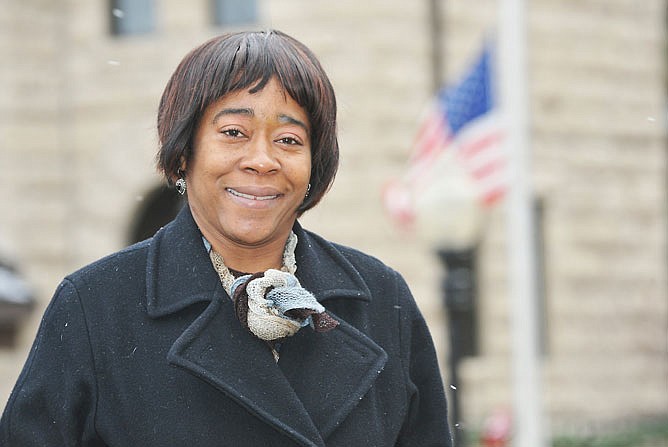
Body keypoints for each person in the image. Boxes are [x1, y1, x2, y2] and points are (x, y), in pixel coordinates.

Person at [0, 30, 451, 446]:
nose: (262, 160)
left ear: (315, 165)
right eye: (234, 133)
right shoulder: (94, 306)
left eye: (290, 139)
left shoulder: (380, 300)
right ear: (183, 153)